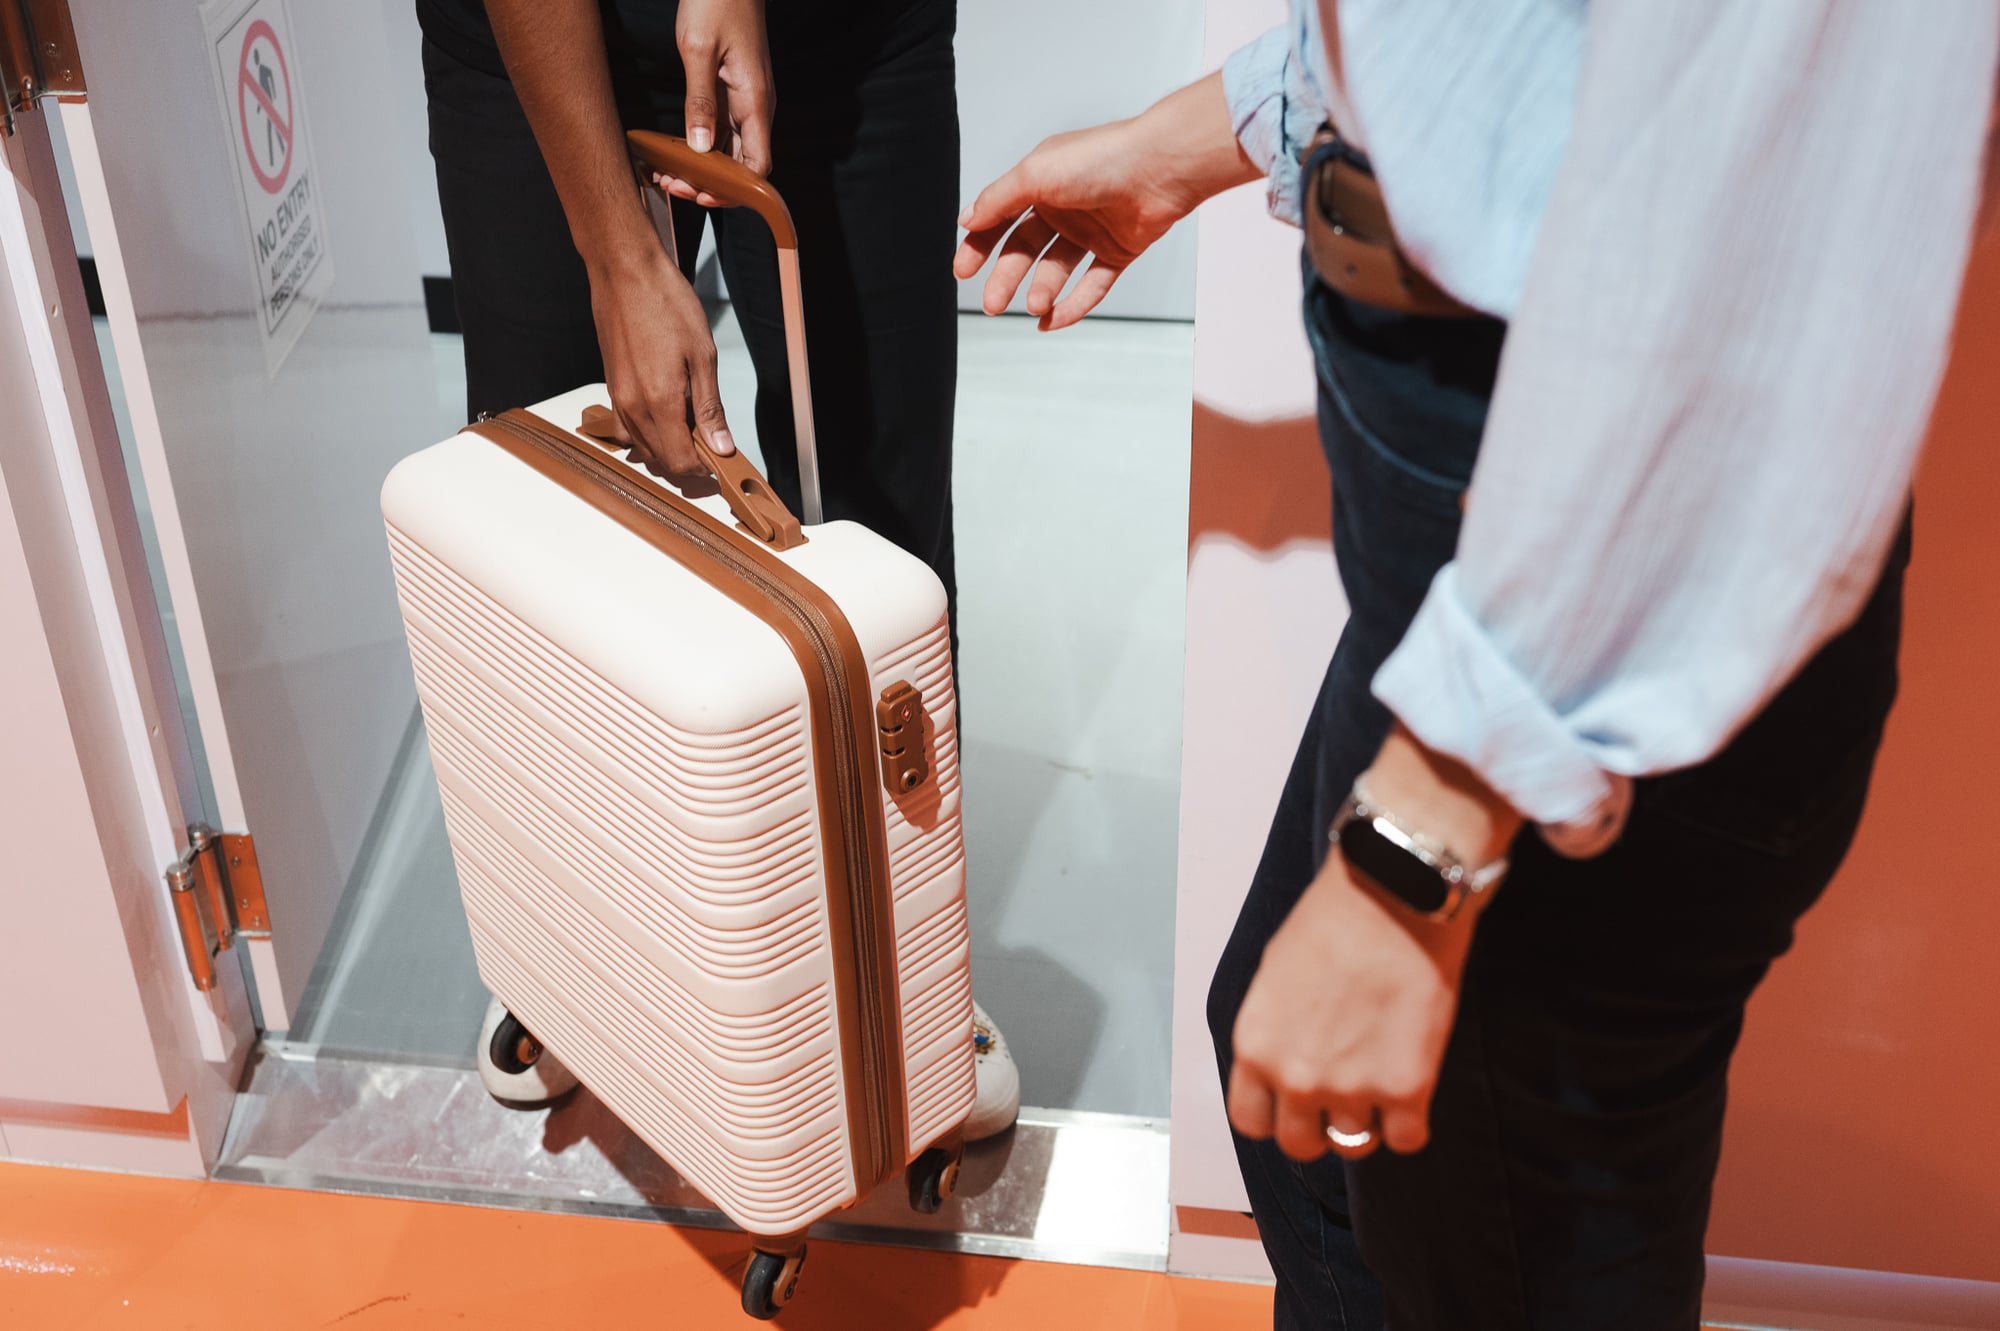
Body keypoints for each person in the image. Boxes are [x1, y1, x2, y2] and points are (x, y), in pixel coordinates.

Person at [955, 1, 1997, 1324]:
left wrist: (1413, 858)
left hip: (1596, 599)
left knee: (1499, 1256)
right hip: (1492, 584)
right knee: (1321, 1131)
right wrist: (1207, 134)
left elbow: (1773, 226)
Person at [414, 0, 1019, 1140]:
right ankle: (578, 949)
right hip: (536, 43)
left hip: (842, 39)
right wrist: (615, 254)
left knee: (876, 536)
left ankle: (898, 965)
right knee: (549, 528)